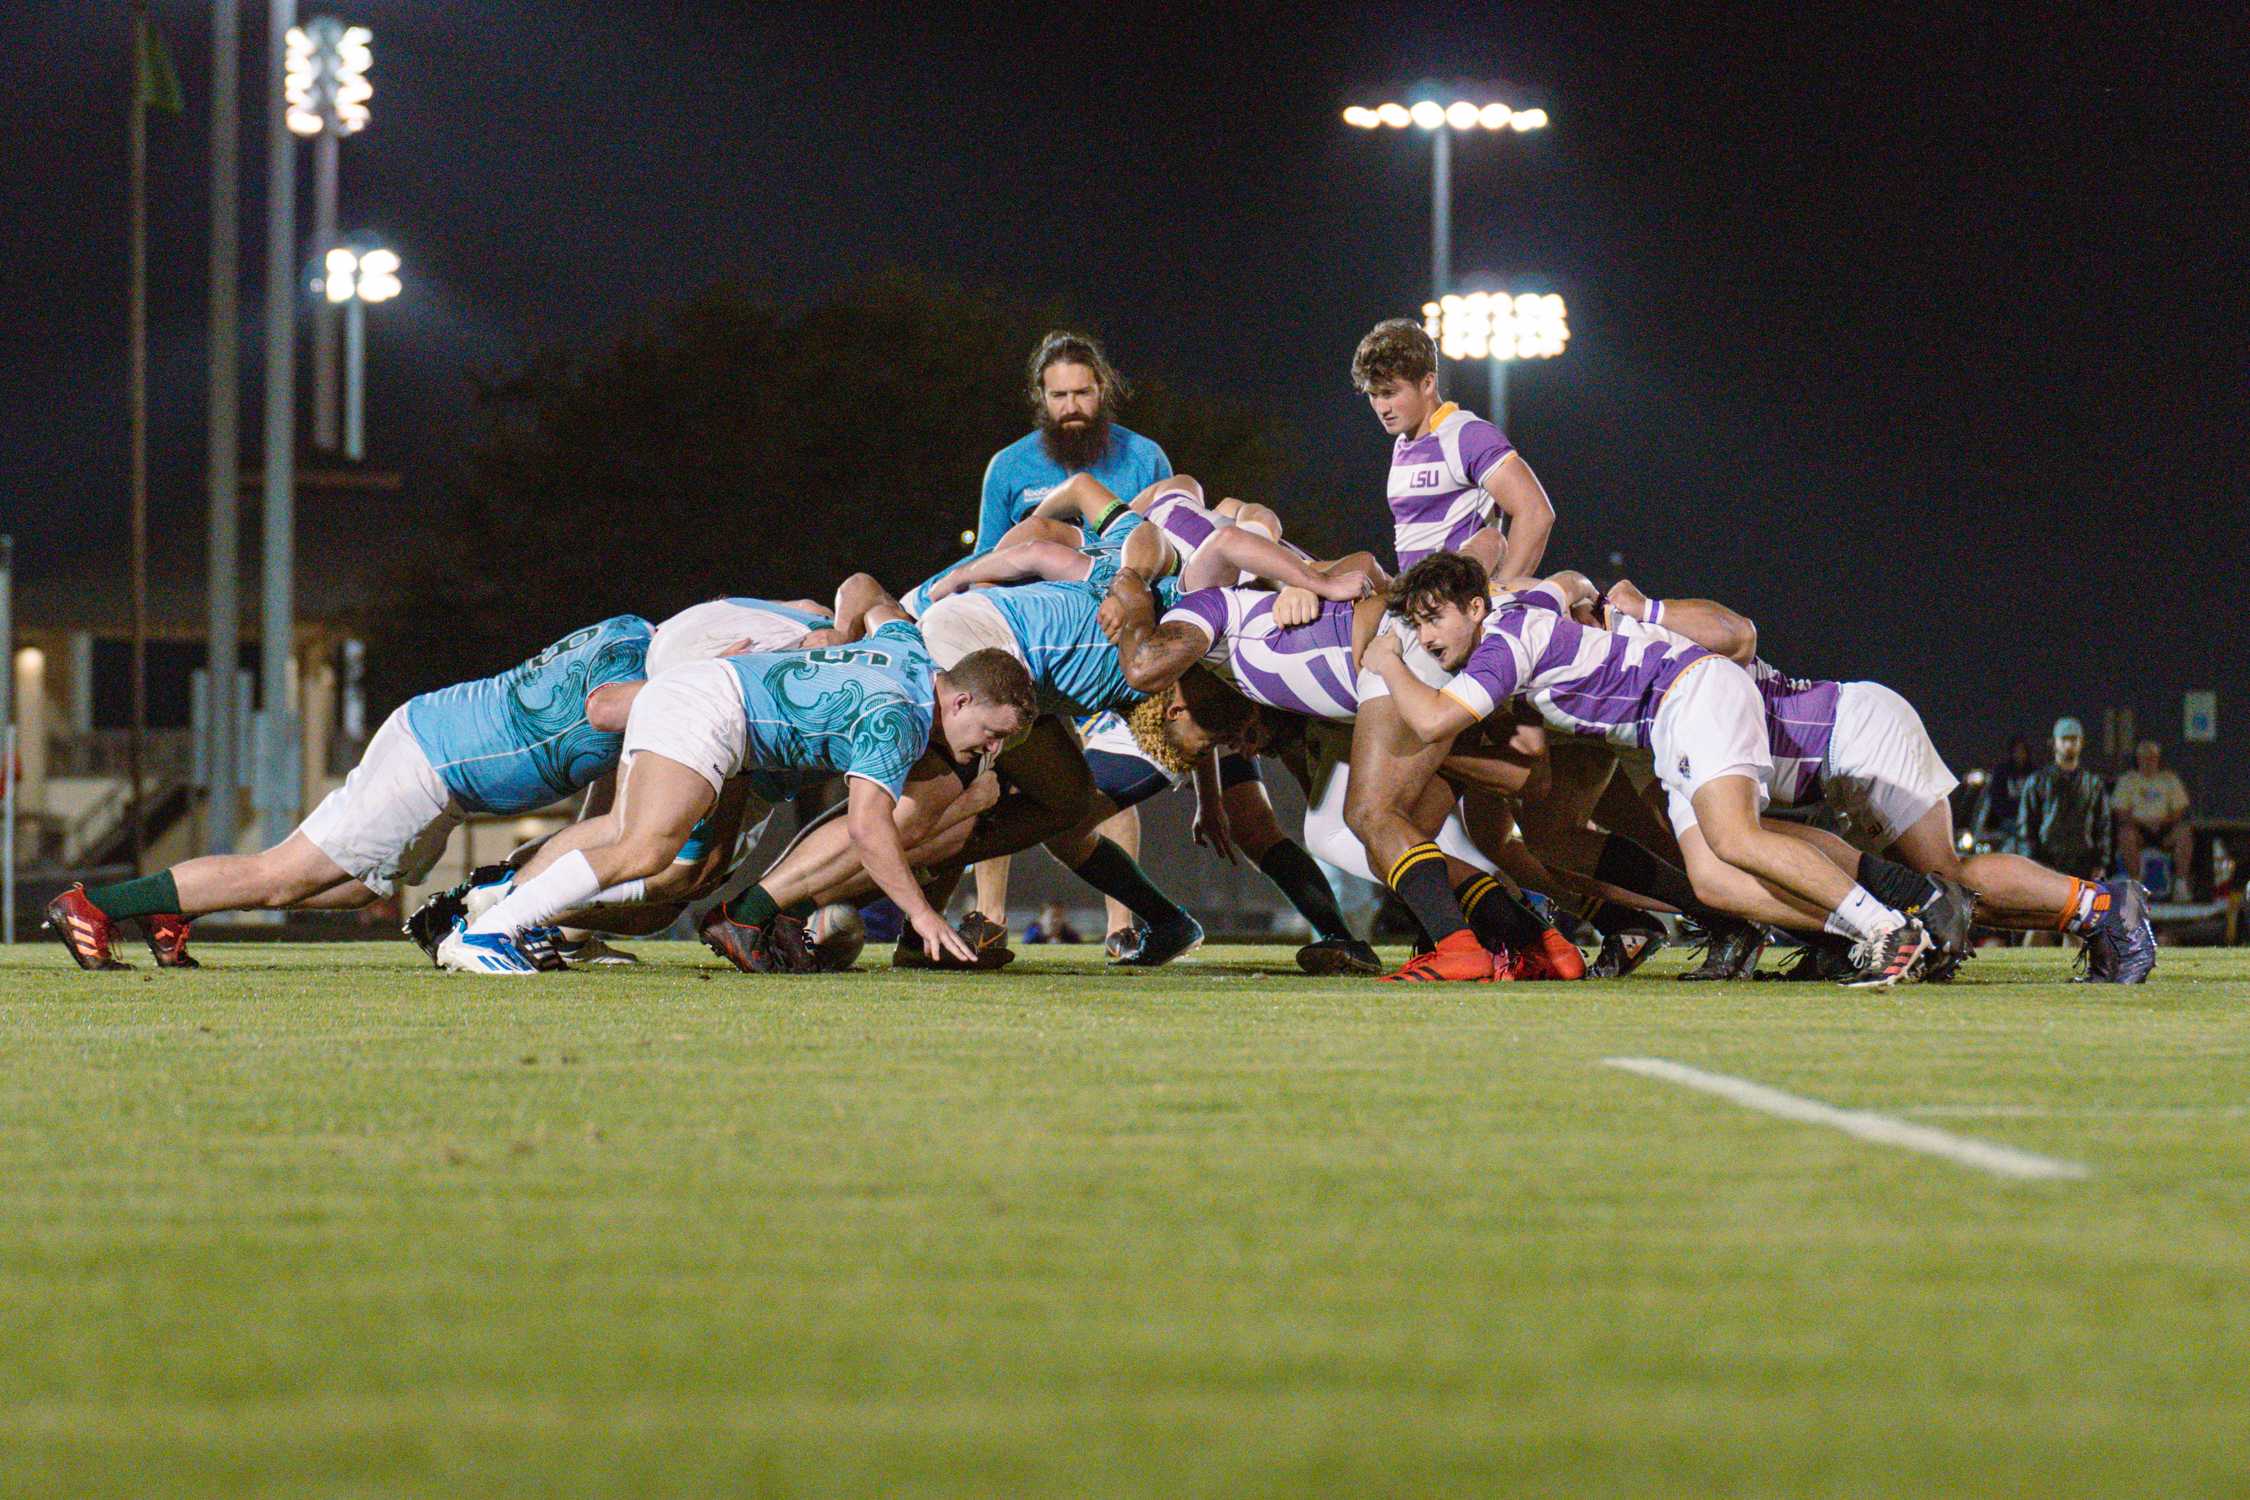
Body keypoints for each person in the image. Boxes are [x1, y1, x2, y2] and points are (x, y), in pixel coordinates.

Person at [1360, 554, 1939, 987]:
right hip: (1678, 711)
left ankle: (1888, 928)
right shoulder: (1523, 610)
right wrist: (1589, 604)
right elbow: (1569, 581)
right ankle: (1871, 930)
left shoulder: (1502, 646)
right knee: (1714, 880)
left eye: (1434, 618)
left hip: (1689, 697)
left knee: (1736, 838)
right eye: (1417, 624)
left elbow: (1432, 721)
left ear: (1476, 607)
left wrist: (1387, 662)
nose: (1425, 636)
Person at [46, 615, 653, 971]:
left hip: (444, 756)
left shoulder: (639, 640)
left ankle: (176, 904)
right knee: (280, 875)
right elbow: (602, 712)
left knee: (356, 889)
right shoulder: (643, 661)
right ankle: (95, 904)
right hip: (434, 758)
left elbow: (604, 802)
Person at [439, 619, 1036, 973]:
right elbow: (869, 829)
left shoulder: (911, 652)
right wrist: (922, 915)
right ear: (959, 702)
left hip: (702, 696)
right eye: (993, 733)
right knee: (647, 850)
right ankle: (490, 929)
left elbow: (872, 598)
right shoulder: (900, 718)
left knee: (655, 854)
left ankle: (498, 907)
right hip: (712, 712)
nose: (990, 749)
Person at [1351, 317, 1555, 575]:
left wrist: (1502, 593)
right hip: (1415, 604)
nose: (1381, 407)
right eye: (1373, 394)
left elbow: (1536, 512)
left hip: (1453, 607)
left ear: (1427, 383)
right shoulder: (1403, 444)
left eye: (1390, 393)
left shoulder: (1467, 435)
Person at [2018, 717, 2113, 882]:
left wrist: (2100, 863)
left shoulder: (2093, 783)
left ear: (2081, 742)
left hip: (2083, 864)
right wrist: (2030, 864)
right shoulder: (2037, 781)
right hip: (2047, 863)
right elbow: (2026, 826)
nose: (2069, 745)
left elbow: (2103, 826)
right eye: (2064, 739)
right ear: (2054, 743)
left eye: (2073, 739)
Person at [2114, 740, 2194, 898]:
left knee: (2184, 835)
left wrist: (2161, 822)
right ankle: (2136, 885)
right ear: (2138, 759)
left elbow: (2179, 810)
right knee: (2126, 835)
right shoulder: (2128, 780)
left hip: (2165, 827)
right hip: (2138, 827)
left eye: (2153, 757)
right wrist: (2143, 822)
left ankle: (2180, 885)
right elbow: (2121, 811)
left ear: (2158, 759)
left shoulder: (2169, 779)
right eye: (2145, 757)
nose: (2149, 761)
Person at [1972, 737, 2039, 854]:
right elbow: (1996, 800)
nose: (2020, 754)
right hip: (2006, 821)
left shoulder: (2035, 774)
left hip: (2031, 822)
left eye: (2023, 750)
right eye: (2017, 751)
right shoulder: (2002, 773)